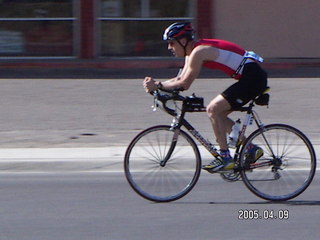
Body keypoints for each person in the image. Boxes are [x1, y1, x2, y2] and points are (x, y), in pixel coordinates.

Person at [143, 22, 267, 172]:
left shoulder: (199, 52)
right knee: (219, 113)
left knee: (213, 109)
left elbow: (185, 83)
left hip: (253, 77)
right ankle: (251, 148)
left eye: (171, 43)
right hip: (249, 76)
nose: (169, 47)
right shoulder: (192, 52)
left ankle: (225, 158)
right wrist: (159, 86)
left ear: (183, 41)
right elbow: (178, 80)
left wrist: (158, 85)